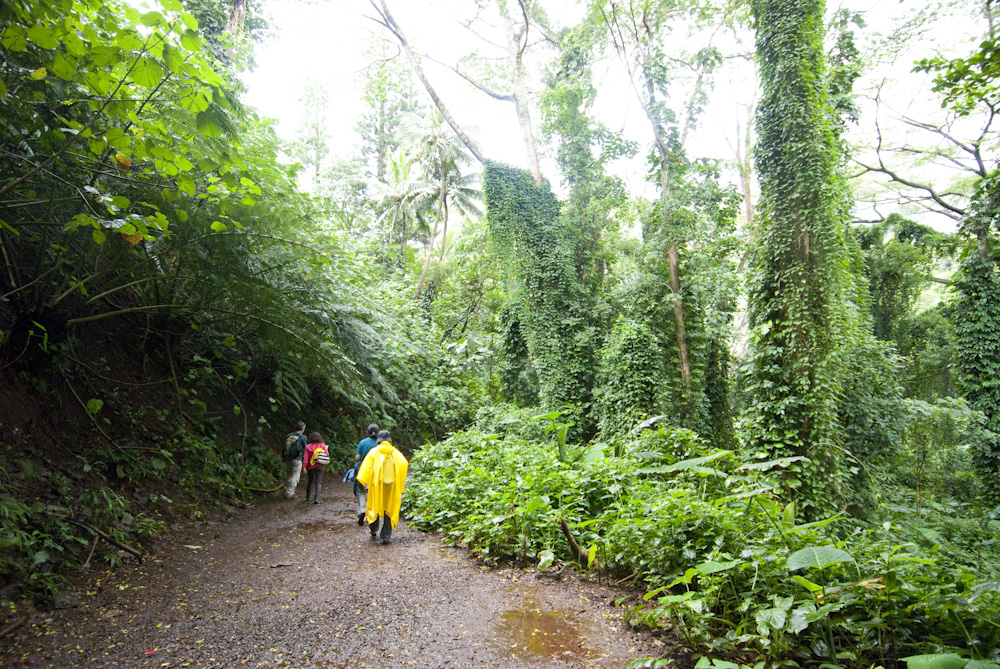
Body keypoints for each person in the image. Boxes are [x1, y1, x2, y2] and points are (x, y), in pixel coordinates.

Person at [356, 429, 408, 544]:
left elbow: (366, 469)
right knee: (389, 509)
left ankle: (374, 530)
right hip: (391, 487)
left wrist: (366, 483)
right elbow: (404, 463)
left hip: (376, 486)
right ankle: (386, 536)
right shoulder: (395, 452)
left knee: (374, 506)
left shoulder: (373, 452)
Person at [354, 423, 380, 525]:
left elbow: (357, 457)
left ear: (367, 432)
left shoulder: (362, 442)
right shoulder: (379, 444)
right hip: (375, 472)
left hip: (363, 470)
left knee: (360, 491)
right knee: (372, 492)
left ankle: (362, 510)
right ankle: (372, 513)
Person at [282, 421, 307, 499]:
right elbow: (306, 448)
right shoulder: (302, 437)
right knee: (295, 475)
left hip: (287, 458)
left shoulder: (289, 435)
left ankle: (286, 491)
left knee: (288, 474)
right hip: (297, 458)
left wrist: (283, 457)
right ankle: (290, 493)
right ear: (302, 429)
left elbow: (283, 447)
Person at [302, 432, 329, 504]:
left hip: (310, 466)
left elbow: (306, 458)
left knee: (310, 482)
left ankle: (308, 497)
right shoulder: (322, 445)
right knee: (318, 482)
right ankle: (316, 498)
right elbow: (327, 454)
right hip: (320, 466)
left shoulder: (308, 447)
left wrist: (304, 467)